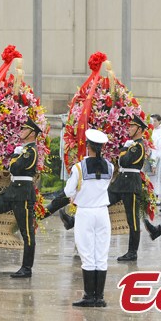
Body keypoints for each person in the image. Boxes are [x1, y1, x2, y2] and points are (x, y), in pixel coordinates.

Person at [0, 118, 40, 278]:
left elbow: (14, 167)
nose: (21, 131)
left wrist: (15, 157)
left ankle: (27, 268)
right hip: (12, 191)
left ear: (32, 133)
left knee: (27, 232)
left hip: (23, 194)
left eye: (25, 129)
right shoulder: (24, 150)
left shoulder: (31, 151)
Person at [64, 129, 112, 307]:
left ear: (88, 147)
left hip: (85, 212)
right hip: (102, 212)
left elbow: (68, 191)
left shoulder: (79, 167)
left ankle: (89, 296)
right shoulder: (110, 166)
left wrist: (77, 193)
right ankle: (99, 297)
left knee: (87, 255)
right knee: (101, 255)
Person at [108, 115, 148, 261]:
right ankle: (73, 221)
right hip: (121, 183)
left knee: (133, 220)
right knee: (100, 202)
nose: (129, 129)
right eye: (129, 126)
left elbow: (124, 161)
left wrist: (125, 148)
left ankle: (132, 252)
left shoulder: (138, 146)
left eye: (132, 126)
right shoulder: (132, 145)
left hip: (131, 184)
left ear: (139, 129)